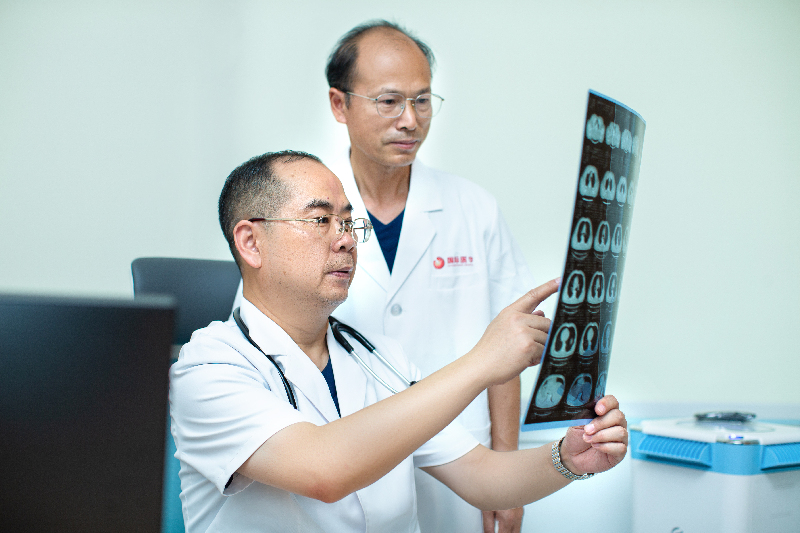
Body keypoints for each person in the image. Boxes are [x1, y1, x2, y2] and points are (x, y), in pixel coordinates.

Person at [171, 150, 628, 533]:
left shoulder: (380, 359)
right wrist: (482, 362)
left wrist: (569, 458)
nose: (346, 241)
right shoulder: (207, 370)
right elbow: (323, 470)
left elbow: (483, 477)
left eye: (348, 222)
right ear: (251, 242)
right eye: (321, 220)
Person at [324, 21, 535, 533]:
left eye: (422, 101)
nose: (410, 120)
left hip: (462, 458)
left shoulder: (474, 208)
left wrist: (506, 476)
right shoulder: (306, 210)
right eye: (389, 101)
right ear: (339, 104)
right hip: (344, 459)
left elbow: (508, 349)